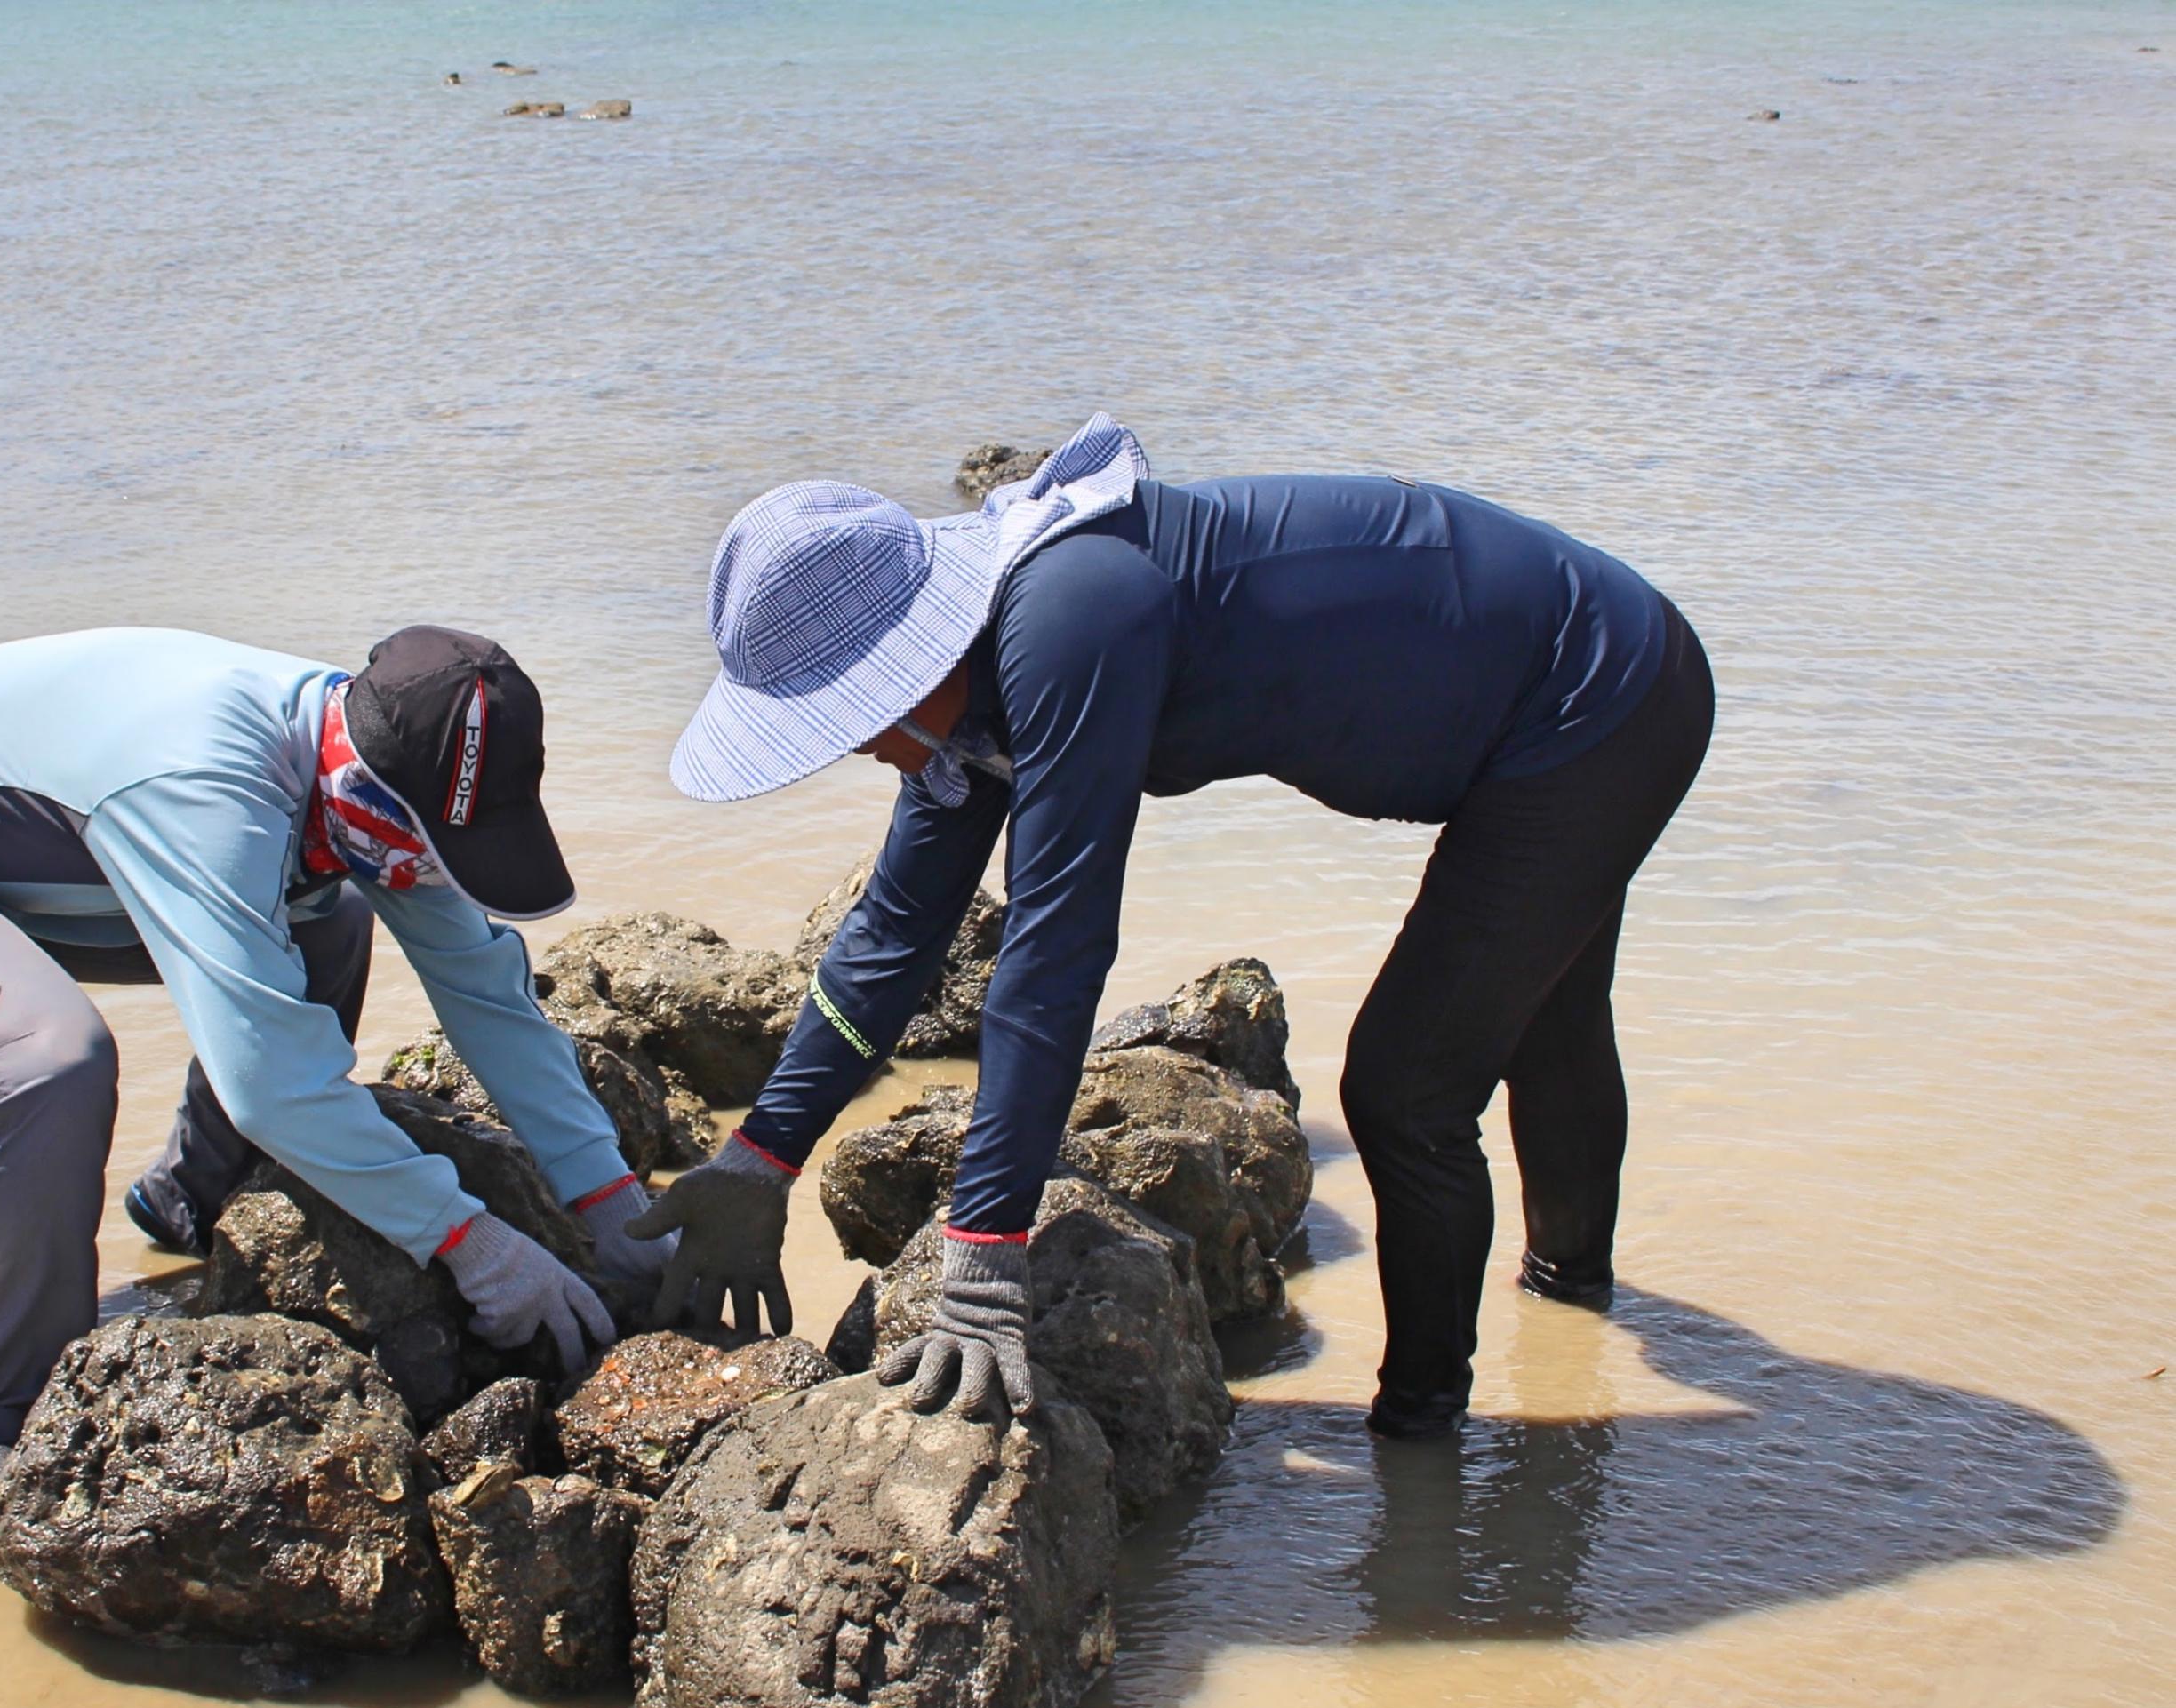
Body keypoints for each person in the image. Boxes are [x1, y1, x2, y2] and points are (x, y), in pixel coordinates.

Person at [627, 415, 1712, 1436]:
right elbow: (892, 937)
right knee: (1543, 1016)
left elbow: (1055, 950)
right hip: (1549, 698)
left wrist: (984, 1259)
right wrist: (759, 1158)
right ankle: (1572, 1322)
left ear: (906, 663)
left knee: (1408, 1086)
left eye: (846, 717)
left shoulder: (1073, 618)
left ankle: (1428, 1449)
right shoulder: (970, 697)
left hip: (1594, 695)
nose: (855, 748)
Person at [0, 624, 672, 1479]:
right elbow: (272, 1086)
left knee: (329, 920)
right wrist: (471, 1243)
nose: (427, 873)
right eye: (424, 845)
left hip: (43, 857)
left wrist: (609, 1200)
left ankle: (191, 1203)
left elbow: (491, 1003)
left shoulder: (384, 767)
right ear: (365, 786)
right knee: (50, 1061)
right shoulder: (208, 787)